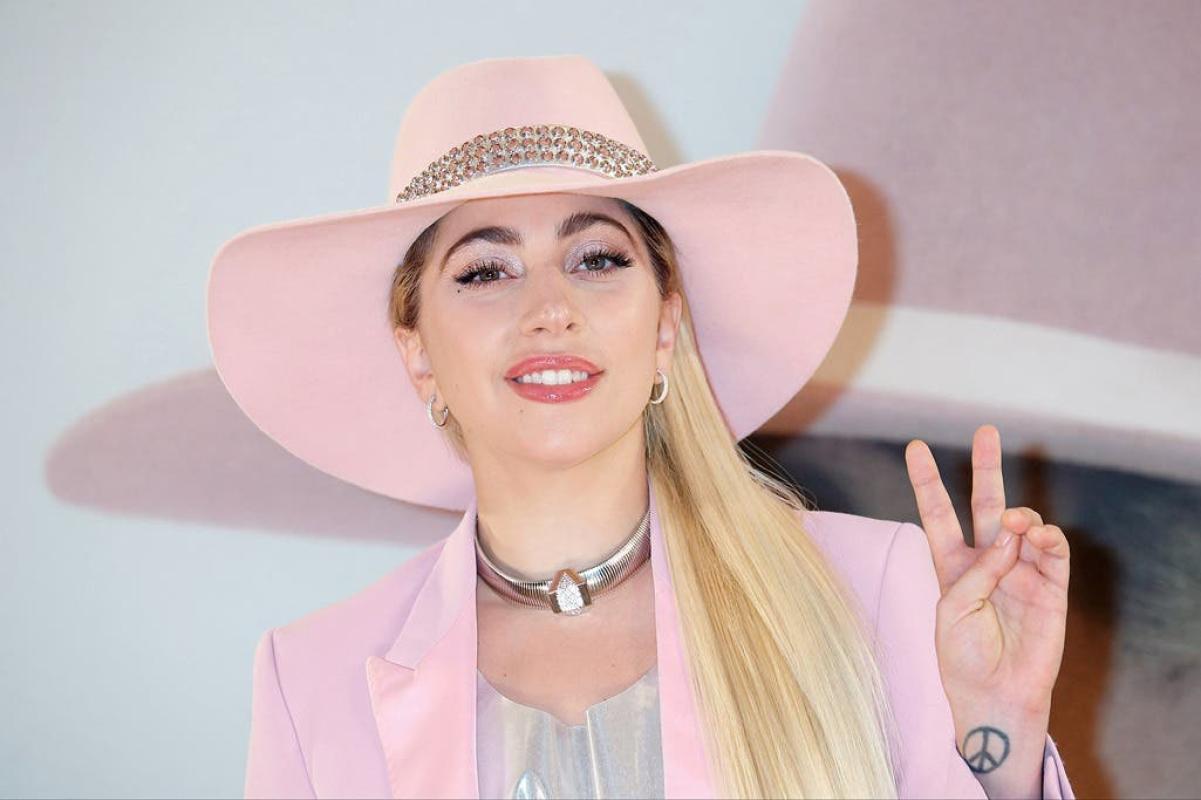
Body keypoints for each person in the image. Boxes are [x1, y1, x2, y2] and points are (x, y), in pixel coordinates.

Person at [207, 54, 1077, 799]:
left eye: (595, 258)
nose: (550, 308)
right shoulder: (308, 679)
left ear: (664, 326)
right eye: (485, 271)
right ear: (417, 353)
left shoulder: (870, 590)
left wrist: (998, 736)